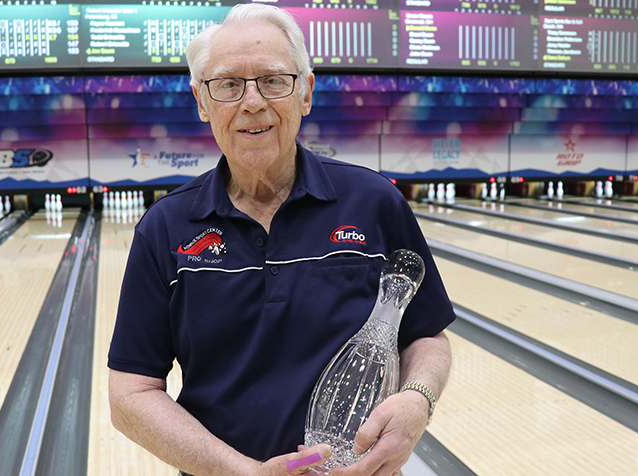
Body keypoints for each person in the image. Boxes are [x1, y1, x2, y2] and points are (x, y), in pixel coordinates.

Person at [108, 5, 454, 476]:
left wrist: (419, 400)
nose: (252, 102)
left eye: (273, 81)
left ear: (306, 92)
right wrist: (241, 471)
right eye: (228, 85)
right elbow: (131, 394)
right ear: (201, 101)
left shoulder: (374, 202)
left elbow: (427, 334)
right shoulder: (164, 227)